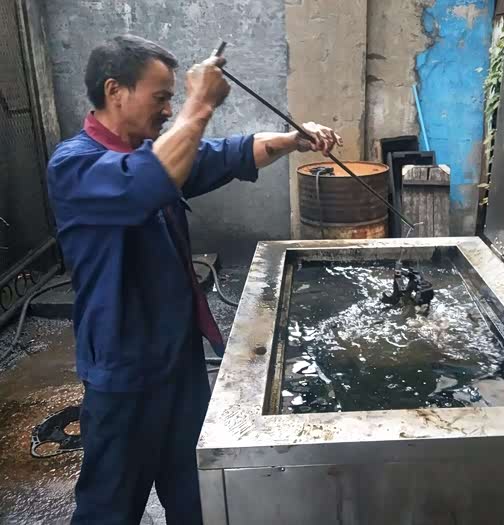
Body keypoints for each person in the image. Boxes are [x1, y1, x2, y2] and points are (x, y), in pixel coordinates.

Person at [46, 34, 341, 524]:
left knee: (196, 495)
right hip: (124, 372)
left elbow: (222, 155)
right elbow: (145, 181)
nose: (169, 110)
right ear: (115, 91)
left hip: (179, 359)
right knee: (109, 508)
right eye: (161, 97)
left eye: (173, 99)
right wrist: (200, 102)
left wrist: (293, 140)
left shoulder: (153, 152)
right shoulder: (76, 165)